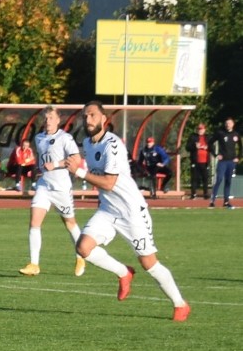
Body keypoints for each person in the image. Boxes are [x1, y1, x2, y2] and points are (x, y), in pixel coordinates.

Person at [65, 101, 190, 321]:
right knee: (83, 247)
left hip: (131, 211)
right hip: (108, 209)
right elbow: (85, 165)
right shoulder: (87, 142)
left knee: (149, 262)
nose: (88, 120)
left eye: (93, 115)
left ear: (104, 119)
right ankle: (124, 272)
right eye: (85, 116)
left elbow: (110, 183)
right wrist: (61, 163)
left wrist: (80, 172)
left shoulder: (113, 144)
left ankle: (180, 304)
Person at [19, 106, 85, 278]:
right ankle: (34, 264)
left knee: (70, 223)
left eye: (51, 118)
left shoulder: (65, 138)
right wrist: (36, 169)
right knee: (34, 222)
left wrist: (55, 165)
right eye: (46, 118)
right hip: (44, 185)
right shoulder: (39, 138)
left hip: (61, 187)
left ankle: (80, 256)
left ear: (58, 120)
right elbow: (42, 161)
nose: (48, 121)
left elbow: (76, 159)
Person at [208, 117, 240, 209]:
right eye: (226, 123)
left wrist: (238, 157)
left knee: (228, 181)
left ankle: (226, 201)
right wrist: (215, 154)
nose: (228, 125)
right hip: (222, 161)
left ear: (233, 124)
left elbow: (240, 147)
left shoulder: (236, 134)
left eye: (229, 123)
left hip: (231, 162)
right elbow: (210, 143)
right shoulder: (220, 133)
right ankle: (212, 201)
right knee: (219, 179)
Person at [186, 123, 210, 199]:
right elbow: (187, 147)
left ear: (204, 129)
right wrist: (195, 146)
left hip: (205, 161)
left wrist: (207, 147)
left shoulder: (207, 137)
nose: (200, 130)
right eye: (199, 129)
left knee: (205, 178)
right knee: (194, 178)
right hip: (195, 161)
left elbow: (211, 147)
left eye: (202, 129)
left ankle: (205, 194)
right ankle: (193, 194)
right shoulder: (193, 137)